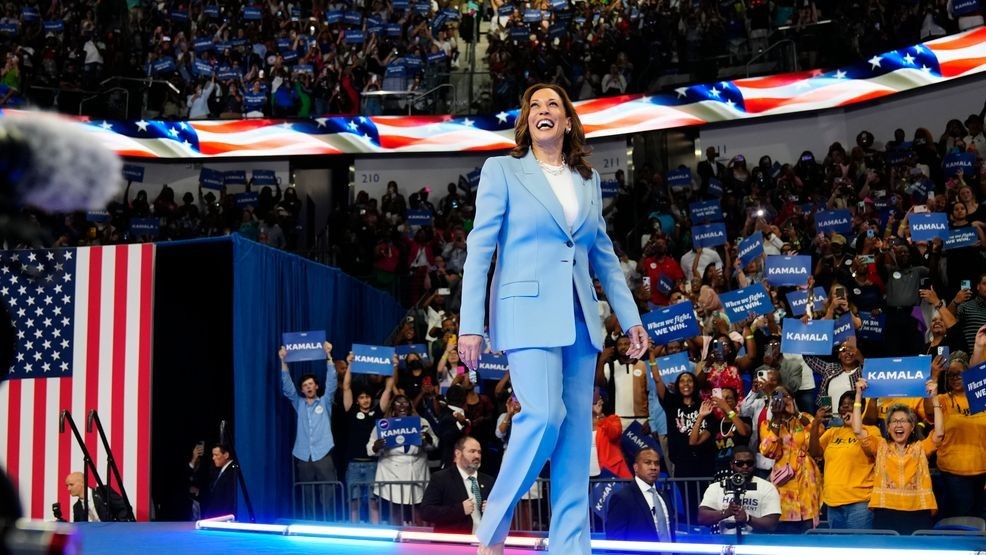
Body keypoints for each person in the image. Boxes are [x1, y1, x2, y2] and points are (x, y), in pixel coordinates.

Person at [457, 83, 647, 555]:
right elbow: (479, 250)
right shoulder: (502, 170)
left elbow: (603, 255)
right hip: (525, 314)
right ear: (526, 121)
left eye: (553, 106)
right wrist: (470, 324)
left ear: (566, 121)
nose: (544, 111)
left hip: (581, 322)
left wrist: (631, 319)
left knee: (573, 445)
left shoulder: (587, 179)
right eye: (535, 106)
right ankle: (492, 530)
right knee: (543, 416)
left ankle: (570, 548)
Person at [853, 375, 944, 534]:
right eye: (894, 421)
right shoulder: (880, 446)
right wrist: (858, 395)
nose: (898, 425)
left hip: (918, 512)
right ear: (888, 428)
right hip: (886, 512)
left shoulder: (920, 448)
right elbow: (857, 430)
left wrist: (934, 398)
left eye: (903, 421)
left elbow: (940, 433)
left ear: (912, 427)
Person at [924, 348, 986, 520]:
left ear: (968, 374)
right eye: (951, 375)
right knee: (965, 518)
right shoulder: (942, 400)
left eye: (960, 373)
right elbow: (929, 410)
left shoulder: (981, 397)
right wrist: (934, 376)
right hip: (954, 473)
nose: (955, 377)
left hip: (982, 470)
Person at [279, 341, 339, 518]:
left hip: (323, 453)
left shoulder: (325, 401)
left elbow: (332, 382)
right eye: (305, 386)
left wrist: (328, 355)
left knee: (328, 493)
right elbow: (288, 388)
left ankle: (329, 524)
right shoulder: (299, 404)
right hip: (303, 454)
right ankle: (310, 523)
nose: (309, 387)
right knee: (307, 494)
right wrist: (283, 361)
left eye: (311, 384)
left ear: (316, 386)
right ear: (303, 390)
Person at [808, 391, 879, 529]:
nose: (845, 408)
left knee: (859, 548)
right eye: (842, 405)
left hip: (860, 502)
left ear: (861, 408)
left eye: (850, 404)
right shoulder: (833, 432)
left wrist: (855, 424)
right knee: (837, 548)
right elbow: (815, 452)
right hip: (833, 502)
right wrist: (816, 423)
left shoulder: (871, 430)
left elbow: (871, 451)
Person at [758, 386, 822, 533]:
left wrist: (797, 415)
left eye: (785, 396)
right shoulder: (767, 424)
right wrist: (776, 419)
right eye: (776, 396)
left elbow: (818, 433)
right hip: (783, 482)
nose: (782, 399)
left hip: (807, 479)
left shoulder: (805, 418)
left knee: (808, 526)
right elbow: (768, 452)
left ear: (792, 398)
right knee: (785, 525)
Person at [367, 393, 437, 525]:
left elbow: (435, 443)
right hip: (392, 473)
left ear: (410, 405)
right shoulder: (384, 424)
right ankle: (398, 541)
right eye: (398, 403)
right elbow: (370, 448)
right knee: (396, 512)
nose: (402, 406)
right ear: (393, 406)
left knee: (418, 512)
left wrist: (428, 439)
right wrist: (376, 446)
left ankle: (421, 541)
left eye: (405, 402)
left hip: (417, 472)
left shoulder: (421, 422)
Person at [697, 445, 781, 534]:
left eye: (749, 463)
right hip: (726, 542)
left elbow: (772, 524)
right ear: (731, 465)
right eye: (739, 463)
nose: (745, 466)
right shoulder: (717, 487)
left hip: (757, 543)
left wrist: (748, 518)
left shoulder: (767, 488)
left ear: (754, 464)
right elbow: (702, 518)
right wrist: (726, 513)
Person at [420, 436, 495, 534]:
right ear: (458, 453)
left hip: (484, 543)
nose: (477, 456)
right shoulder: (441, 478)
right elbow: (426, 512)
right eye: (472, 451)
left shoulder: (488, 480)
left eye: (479, 452)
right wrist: (460, 509)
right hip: (455, 544)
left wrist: (494, 510)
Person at [604, 448, 676, 542]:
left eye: (656, 463)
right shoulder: (622, 498)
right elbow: (614, 541)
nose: (653, 467)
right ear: (636, 467)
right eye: (647, 462)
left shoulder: (664, 496)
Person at [64, 471, 130, 522]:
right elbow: (78, 528)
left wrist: (118, 527)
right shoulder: (76, 507)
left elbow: (125, 507)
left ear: (83, 482)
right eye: (67, 486)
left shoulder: (103, 492)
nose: (68, 489)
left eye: (71, 485)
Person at [202, 444, 238, 518]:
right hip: (215, 516)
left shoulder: (232, 472)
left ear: (226, 455)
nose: (213, 458)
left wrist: (224, 518)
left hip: (223, 518)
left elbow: (229, 498)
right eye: (213, 455)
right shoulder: (220, 471)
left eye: (216, 455)